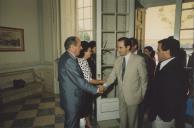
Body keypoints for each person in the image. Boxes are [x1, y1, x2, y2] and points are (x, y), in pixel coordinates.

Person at [58, 36, 104, 128]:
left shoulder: (67, 57)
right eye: (79, 46)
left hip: (70, 97)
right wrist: (97, 89)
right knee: (72, 124)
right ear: (72, 47)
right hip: (71, 99)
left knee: (70, 123)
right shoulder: (69, 61)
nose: (81, 48)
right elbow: (80, 81)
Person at [104, 37, 148, 128]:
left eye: (120, 47)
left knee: (133, 122)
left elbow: (144, 79)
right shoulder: (118, 60)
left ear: (128, 47)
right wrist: (104, 85)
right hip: (122, 96)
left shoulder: (139, 60)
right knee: (122, 121)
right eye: (117, 47)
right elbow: (112, 76)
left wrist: (142, 95)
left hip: (134, 96)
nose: (118, 50)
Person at [148, 37, 188, 128]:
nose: (156, 52)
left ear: (167, 51)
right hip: (157, 112)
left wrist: (167, 116)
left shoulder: (177, 70)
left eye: (158, 50)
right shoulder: (160, 64)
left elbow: (178, 96)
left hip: (166, 116)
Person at [78, 41, 104, 128]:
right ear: (84, 52)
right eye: (89, 50)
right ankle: (87, 124)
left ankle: (88, 124)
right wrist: (101, 81)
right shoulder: (81, 62)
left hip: (86, 90)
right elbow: (88, 80)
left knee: (87, 109)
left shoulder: (84, 60)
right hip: (84, 91)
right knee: (85, 109)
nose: (91, 52)